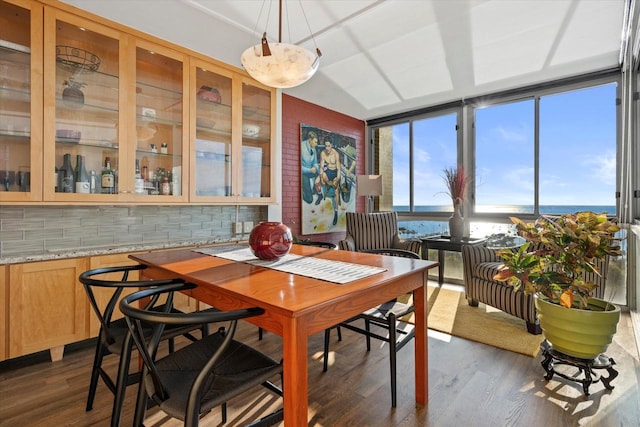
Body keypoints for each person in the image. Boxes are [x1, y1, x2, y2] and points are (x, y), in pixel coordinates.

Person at [316, 138, 341, 225]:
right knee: (317, 182)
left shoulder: (335, 154)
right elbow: (322, 167)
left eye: (329, 146)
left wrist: (337, 179)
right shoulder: (323, 153)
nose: (327, 148)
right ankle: (320, 195)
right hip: (328, 172)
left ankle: (336, 212)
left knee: (336, 191)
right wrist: (321, 176)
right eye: (326, 146)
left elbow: (339, 170)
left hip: (335, 174)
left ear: (331, 145)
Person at [301, 131, 321, 204]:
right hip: (303, 173)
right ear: (310, 140)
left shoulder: (313, 148)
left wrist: (315, 168)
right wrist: (309, 170)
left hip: (311, 170)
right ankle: (303, 190)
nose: (316, 144)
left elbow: (315, 162)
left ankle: (316, 190)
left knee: (320, 174)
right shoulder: (301, 146)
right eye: (315, 142)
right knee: (309, 200)